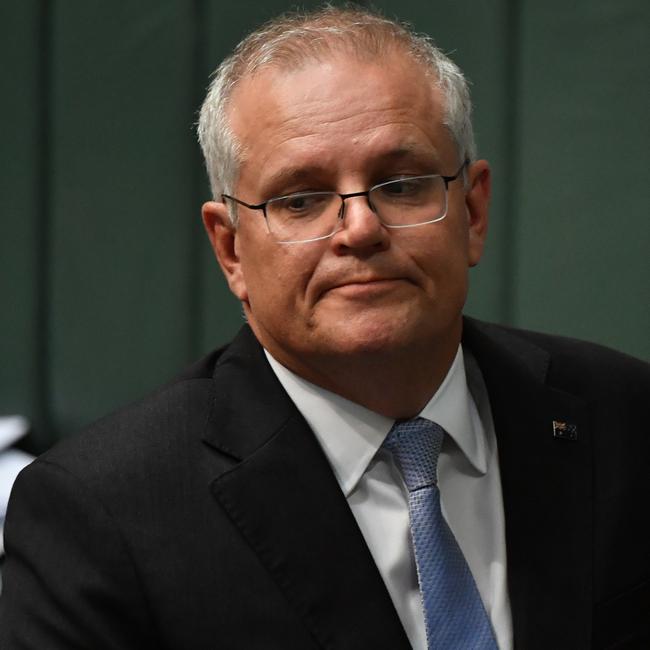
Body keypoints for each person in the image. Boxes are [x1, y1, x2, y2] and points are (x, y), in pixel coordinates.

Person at [0, 6, 648, 649]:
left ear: (472, 212)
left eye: (400, 185)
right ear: (231, 251)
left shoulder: (623, 416)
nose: (361, 229)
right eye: (301, 199)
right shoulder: (104, 513)